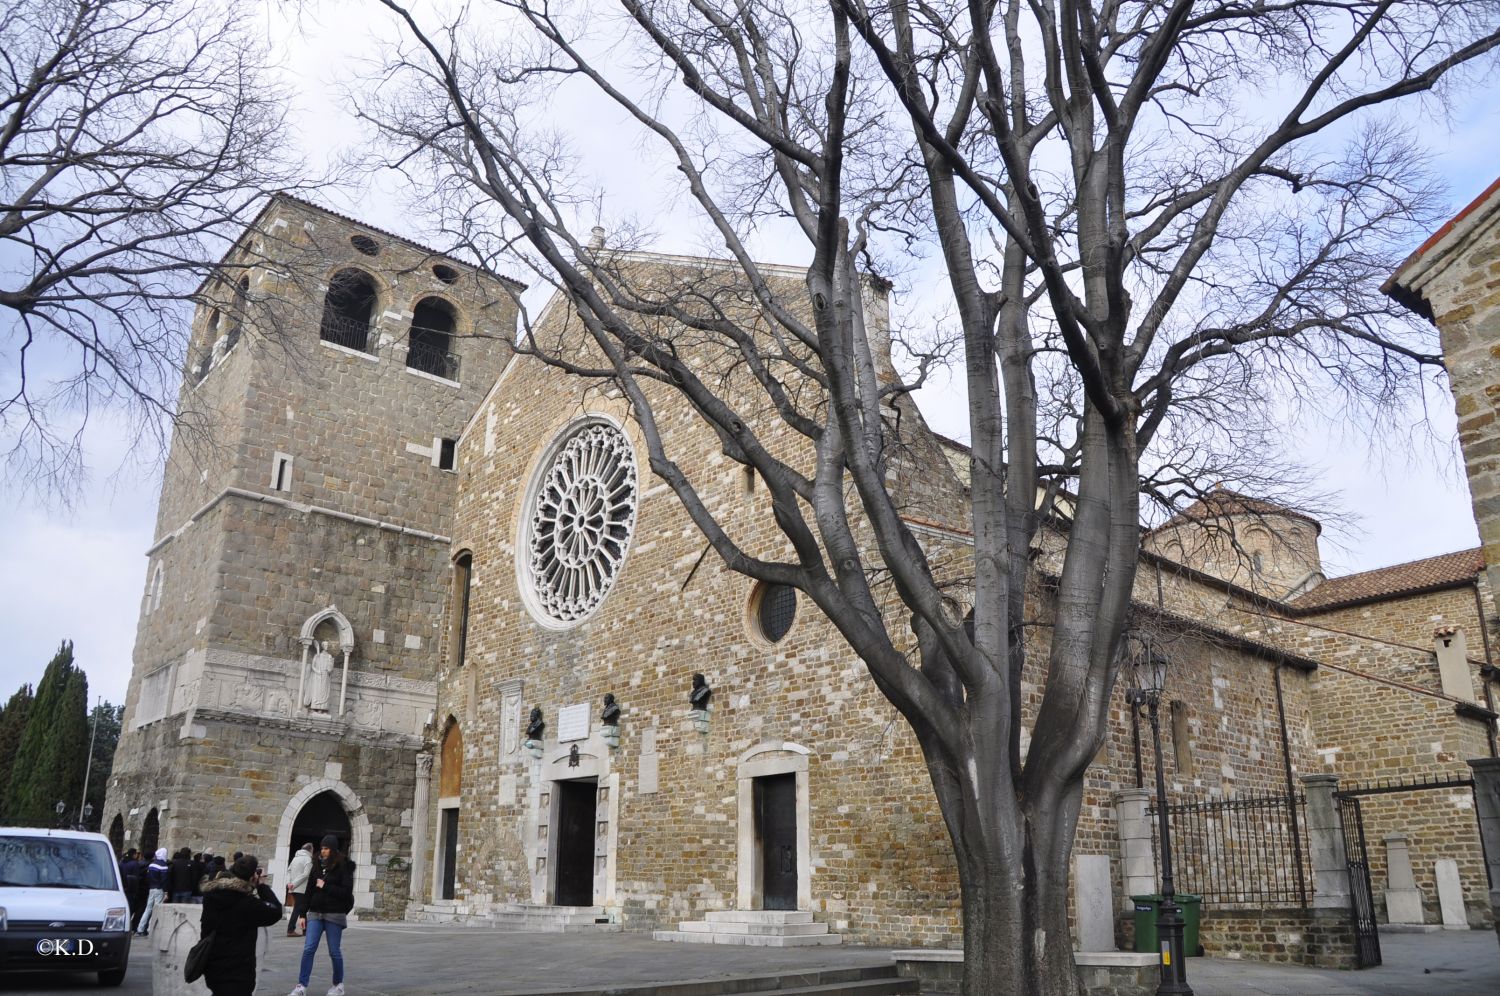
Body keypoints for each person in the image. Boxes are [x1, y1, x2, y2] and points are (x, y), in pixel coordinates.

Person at [199, 854, 283, 996]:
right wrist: (261, 886)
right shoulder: (247, 904)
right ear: (252, 878)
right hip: (238, 973)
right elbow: (275, 912)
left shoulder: (211, 896)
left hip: (213, 968)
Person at [288, 835, 353, 996]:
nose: (322, 851)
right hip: (315, 913)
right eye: (322, 848)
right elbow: (309, 890)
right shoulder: (316, 864)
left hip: (334, 914)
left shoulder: (343, 866)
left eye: (326, 848)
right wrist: (302, 913)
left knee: (334, 951)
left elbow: (346, 892)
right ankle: (301, 986)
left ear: (333, 849)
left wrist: (326, 886)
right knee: (309, 948)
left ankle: (338, 985)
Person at [136, 847, 169, 935]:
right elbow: (164, 880)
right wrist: (166, 891)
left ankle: (140, 928)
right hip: (159, 889)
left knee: (148, 909)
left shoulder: (152, 864)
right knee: (156, 909)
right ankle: (150, 929)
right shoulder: (163, 865)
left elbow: (148, 877)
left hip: (151, 888)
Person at [284, 843, 314, 937]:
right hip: (302, 888)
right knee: (299, 909)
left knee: (301, 908)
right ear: (310, 850)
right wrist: (294, 883)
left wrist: (289, 883)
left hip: (293, 888)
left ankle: (305, 930)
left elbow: (288, 871)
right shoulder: (308, 860)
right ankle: (291, 929)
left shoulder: (295, 859)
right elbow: (306, 874)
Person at [119, 849, 145, 930]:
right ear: (134, 854)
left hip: (122, 888)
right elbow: (136, 878)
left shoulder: (121, 862)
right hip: (131, 889)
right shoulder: (134, 863)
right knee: (130, 907)